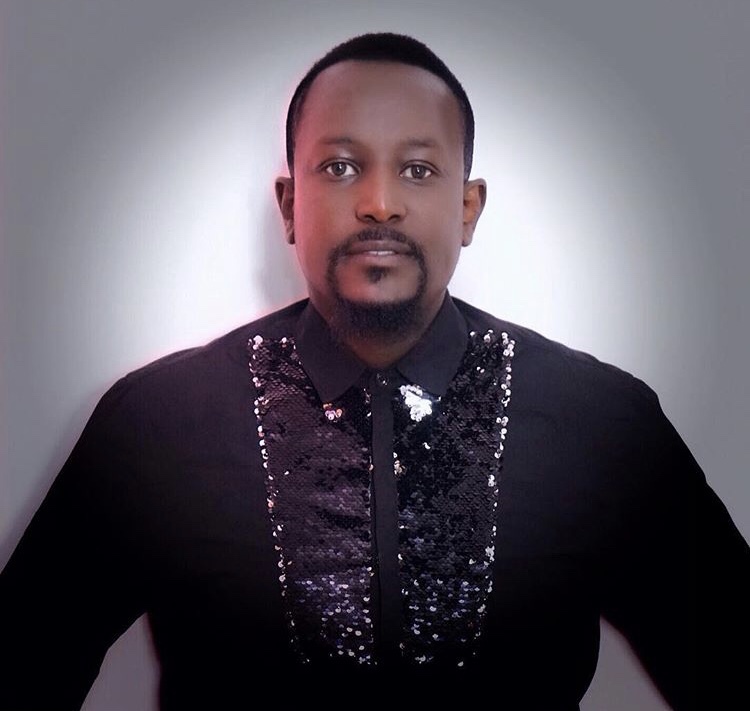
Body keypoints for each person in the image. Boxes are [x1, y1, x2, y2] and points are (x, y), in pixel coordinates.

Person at [0, 32, 747, 711]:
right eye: (340, 167)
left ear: (468, 208)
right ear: (290, 205)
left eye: (417, 170)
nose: (380, 204)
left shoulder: (602, 424)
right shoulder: (157, 424)